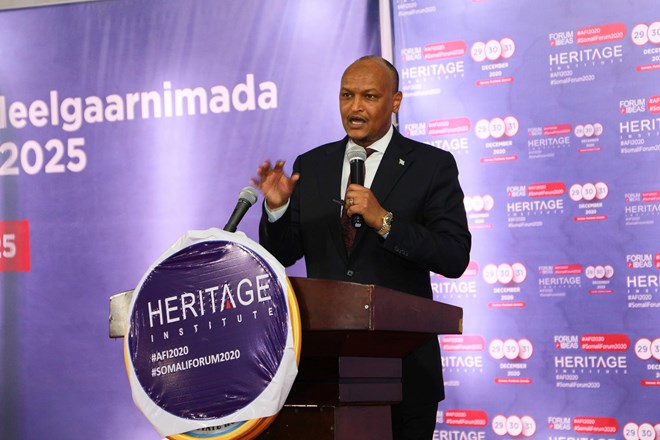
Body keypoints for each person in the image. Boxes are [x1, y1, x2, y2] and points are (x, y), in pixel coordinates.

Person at [251, 55, 471, 440]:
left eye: (369, 96)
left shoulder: (431, 165)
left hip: (405, 372)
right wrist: (277, 208)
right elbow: (282, 254)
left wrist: (385, 221)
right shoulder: (313, 165)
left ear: (395, 101)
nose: (355, 107)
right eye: (346, 95)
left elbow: (453, 256)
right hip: (322, 373)